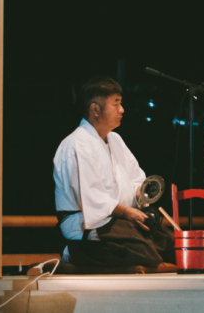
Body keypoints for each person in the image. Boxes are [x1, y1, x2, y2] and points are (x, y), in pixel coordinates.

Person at [53, 76, 175, 269]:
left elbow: (136, 177)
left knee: (171, 244)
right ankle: (75, 253)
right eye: (116, 104)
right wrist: (126, 212)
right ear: (95, 109)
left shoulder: (115, 139)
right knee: (143, 250)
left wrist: (139, 193)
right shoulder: (77, 144)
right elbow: (92, 197)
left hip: (120, 220)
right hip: (88, 224)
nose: (122, 109)